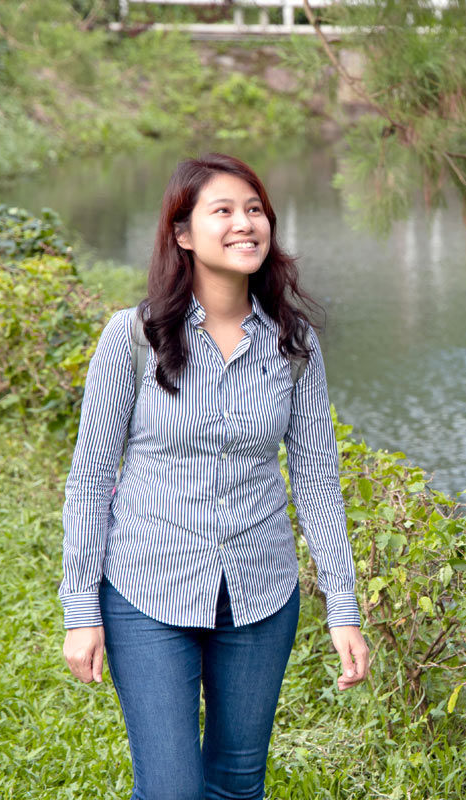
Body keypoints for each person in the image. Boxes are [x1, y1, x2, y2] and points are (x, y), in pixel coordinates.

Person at [59, 152, 369, 799]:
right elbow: (91, 477)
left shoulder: (293, 344)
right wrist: (80, 608)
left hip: (261, 594)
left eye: (255, 209)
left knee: (235, 784)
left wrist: (344, 608)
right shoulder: (134, 337)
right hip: (147, 592)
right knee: (170, 789)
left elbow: (315, 480)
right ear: (182, 233)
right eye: (223, 210)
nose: (244, 223)